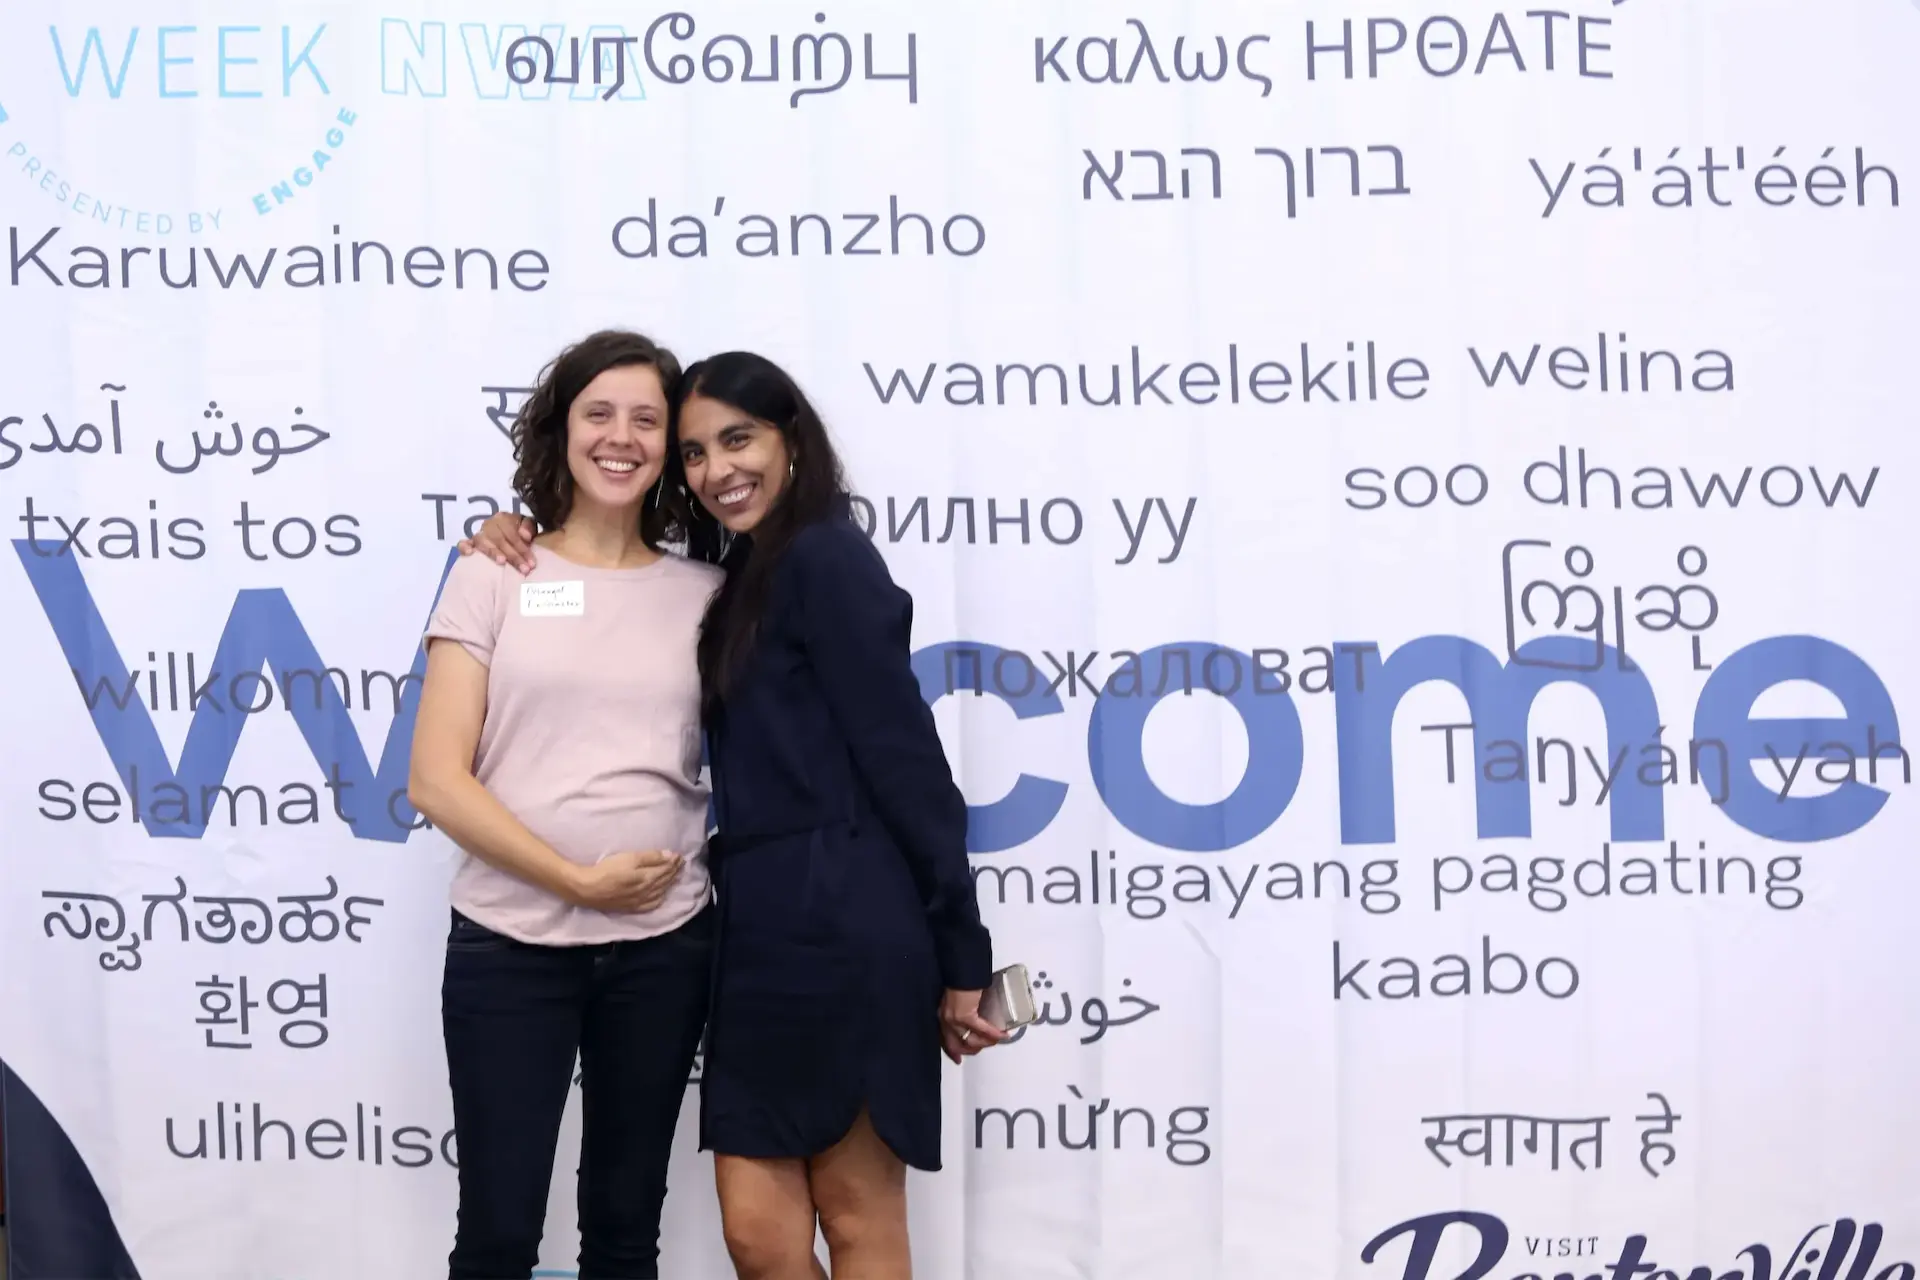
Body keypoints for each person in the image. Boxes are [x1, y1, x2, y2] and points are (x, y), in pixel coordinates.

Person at [463, 350, 1008, 1279]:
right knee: (758, 1234)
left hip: (847, 921)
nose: (718, 470)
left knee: (854, 1210)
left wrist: (964, 953)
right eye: (696, 453)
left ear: (792, 438)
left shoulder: (829, 557)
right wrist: (509, 530)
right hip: (753, 931)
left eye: (739, 439)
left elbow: (910, 765)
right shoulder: (740, 573)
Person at [409, 329, 722, 1280]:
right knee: (499, 1234)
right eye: (599, 413)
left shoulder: (710, 591)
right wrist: (577, 881)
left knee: (625, 1234)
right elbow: (436, 778)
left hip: (665, 948)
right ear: (562, 429)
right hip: (510, 947)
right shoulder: (494, 572)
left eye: (647, 420)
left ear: (672, 447)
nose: (620, 437)